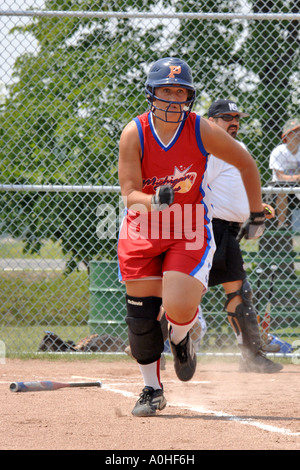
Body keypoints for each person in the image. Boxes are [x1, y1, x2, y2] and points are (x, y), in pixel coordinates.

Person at [117, 57, 266, 417]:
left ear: (190, 96)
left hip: (188, 229)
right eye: (166, 90)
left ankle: (182, 337)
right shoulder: (134, 133)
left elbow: (246, 163)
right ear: (151, 94)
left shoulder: (200, 129)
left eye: (180, 91)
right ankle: (152, 389)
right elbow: (129, 194)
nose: (173, 98)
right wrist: (153, 199)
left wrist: (257, 211)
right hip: (143, 225)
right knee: (141, 318)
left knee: (180, 305)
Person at [206, 99, 283, 373]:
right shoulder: (211, 146)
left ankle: (251, 357)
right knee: (186, 292)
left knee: (239, 292)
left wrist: (254, 209)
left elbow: (233, 186)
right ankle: (147, 339)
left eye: (237, 117)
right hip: (207, 227)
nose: (234, 122)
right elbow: (202, 186)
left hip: (227, 229)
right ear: (212, 120)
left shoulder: (237, 148)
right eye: (227, 117)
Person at [269, 118, 300, 228]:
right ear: (286, 135)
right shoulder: (279, 151)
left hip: (297, 185)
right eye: (294, 131)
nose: (298, 134)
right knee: (283, 188)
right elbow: (280, 176)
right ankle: (281, 223)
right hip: (279, 186)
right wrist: (297, 177)